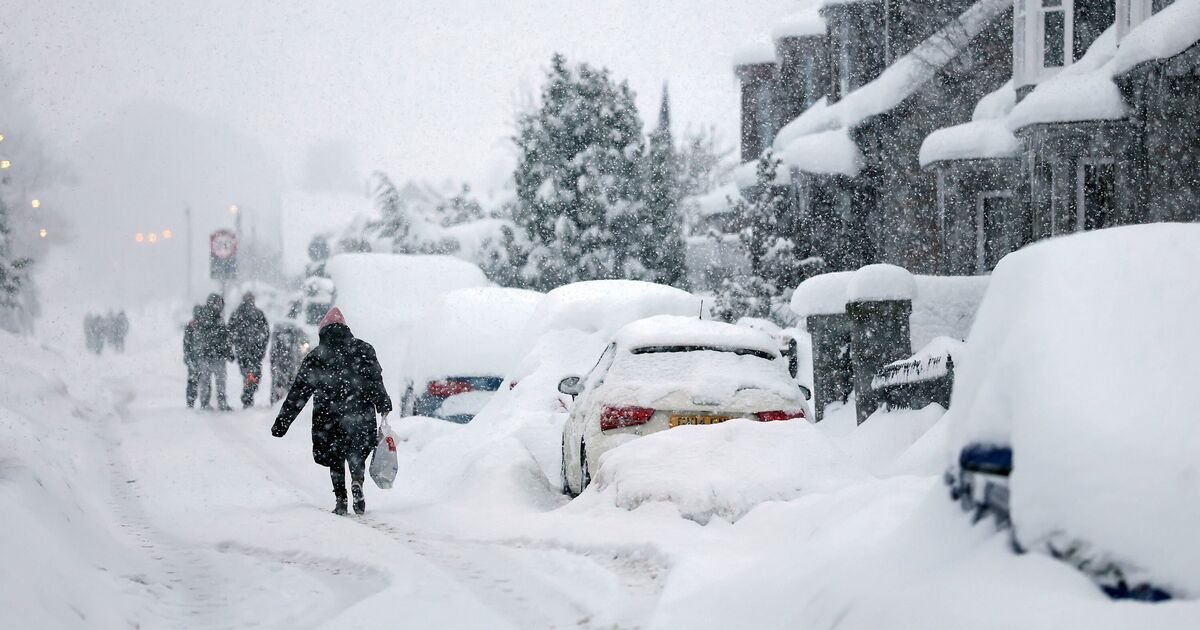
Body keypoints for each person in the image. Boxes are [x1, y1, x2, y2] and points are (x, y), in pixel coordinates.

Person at [271, 307, 392, 515]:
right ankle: (357, 482)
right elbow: (375, 381)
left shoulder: (317, 356)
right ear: (346, 328)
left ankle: (340, 498)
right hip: (359, 413)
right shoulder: (364, 349)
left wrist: (282, 423)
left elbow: (298, 393)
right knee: (356, 452)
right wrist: (383, 402)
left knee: (335, 457)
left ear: (322, 332)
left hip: (329, 416)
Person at [229, 292, 270, 409]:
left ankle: (248, 395)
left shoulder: (237, 313)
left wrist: (234, 346)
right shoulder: (258, 313)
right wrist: (262, 347)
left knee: (247, 373)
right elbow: (266, 332)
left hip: (243, 350)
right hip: (255, 350)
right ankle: (248, 395)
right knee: (254, 374)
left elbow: (230, 331)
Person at [195, 293, 234, 411]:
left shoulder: (213, 317)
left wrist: (227, 351)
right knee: (218, 381)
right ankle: (215, 403)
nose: (220, 306)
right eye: (218, 303)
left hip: (210, 355)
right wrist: (226, 351)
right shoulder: (210, 318)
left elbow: (224, 337)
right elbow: (222, 337)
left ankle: (206, 403)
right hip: (212, 355)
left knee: (208, 381)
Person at [269, 301, 308, 405]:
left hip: (285, 358)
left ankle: (279, 400)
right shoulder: (292, 326)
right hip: (289, 358)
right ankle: (284, 400)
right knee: (286, 380)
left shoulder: (285, 326)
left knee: (281, 380)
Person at [182, 305, 203, 408]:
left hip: (200, 357)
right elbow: (186, 343)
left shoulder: (202, 325)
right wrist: (188, 355)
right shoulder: (191, 326)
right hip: (195, 357)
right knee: (194, 379)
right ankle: (191, 400)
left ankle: (194, 400)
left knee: (195, 379)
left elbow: (186, 343)